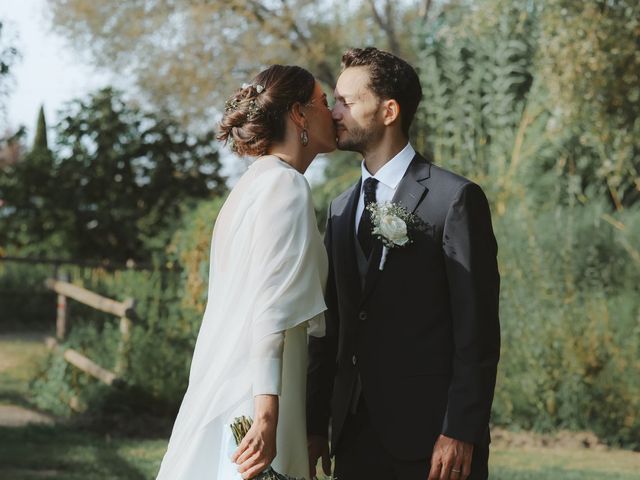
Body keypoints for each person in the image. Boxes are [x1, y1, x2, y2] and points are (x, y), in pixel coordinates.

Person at [307, 47, 501, 480]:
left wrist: (461, 430)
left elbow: (478, 329)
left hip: (434, 439)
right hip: (354, 435)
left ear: (389, 110)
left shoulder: (454, 199)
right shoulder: (340, 209)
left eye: (345, 102)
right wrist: (315, 423)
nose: (333, 113)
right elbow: (330, 325)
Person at [156, 64, 336, 480]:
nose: (335, 113)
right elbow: (270, 310)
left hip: (235, 384)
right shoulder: (286, 186)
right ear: (298, 114)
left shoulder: (251, 186)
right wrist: (267, 419)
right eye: (324, 103)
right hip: (254, 399)